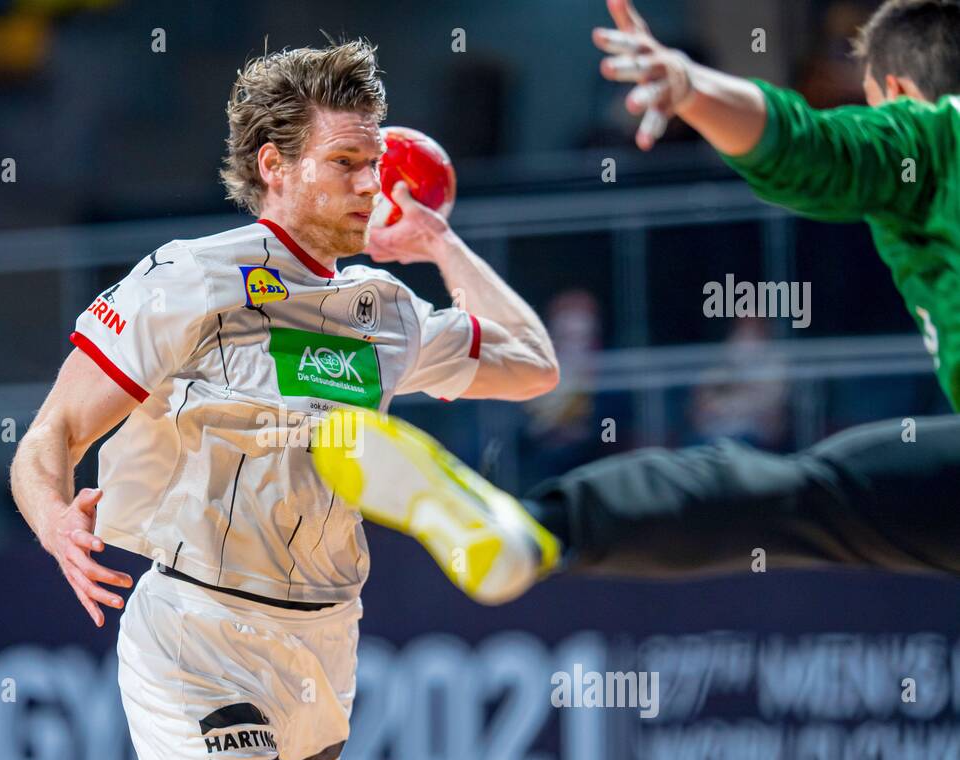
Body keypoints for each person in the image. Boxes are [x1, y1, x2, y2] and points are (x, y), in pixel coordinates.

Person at [9, 40, 558, 760]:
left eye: (375, 161)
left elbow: (533, 362)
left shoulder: (387, 310)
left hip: (326, 641)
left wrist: (441, 245)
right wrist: (53, 518)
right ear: (275, 164)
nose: (372, 184)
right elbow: (50, 433)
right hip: (200, 628)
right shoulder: (189, 279)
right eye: (345, 162)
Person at [310, 0, 960, 602]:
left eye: (871, 103)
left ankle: (541, 531)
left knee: (800, 495)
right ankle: (535, 531)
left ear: (899, 95)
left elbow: (806, 146)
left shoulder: (932, 134)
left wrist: (691, 87)